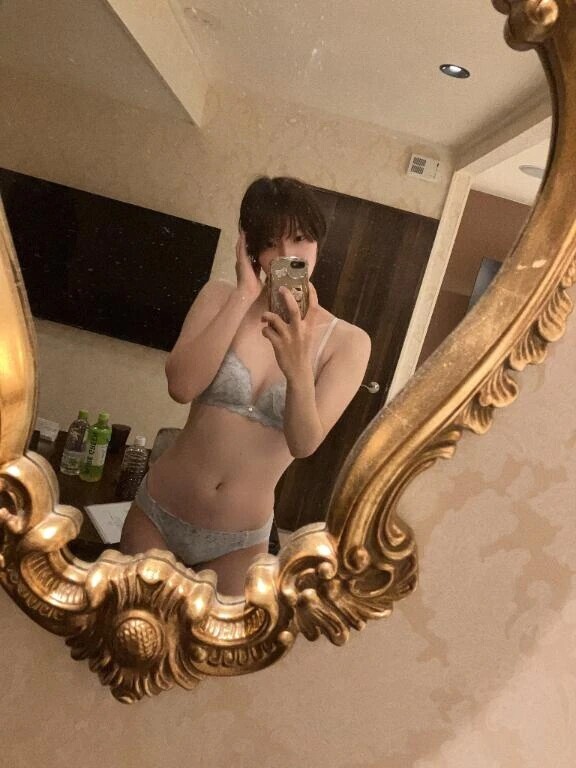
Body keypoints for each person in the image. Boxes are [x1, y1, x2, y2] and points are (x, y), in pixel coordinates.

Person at [120, 176, 371, 595]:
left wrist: (297, 369)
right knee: (129, 624)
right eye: (271, 242)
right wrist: (243, 294)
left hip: (239, 543)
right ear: (250, 247)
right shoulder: (220, 296)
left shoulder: (347, 342)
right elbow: (181, 386)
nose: (288, 254)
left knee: (208, 639)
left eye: (300, 238)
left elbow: (304, 443)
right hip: (158, 513)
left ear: (318, 242)